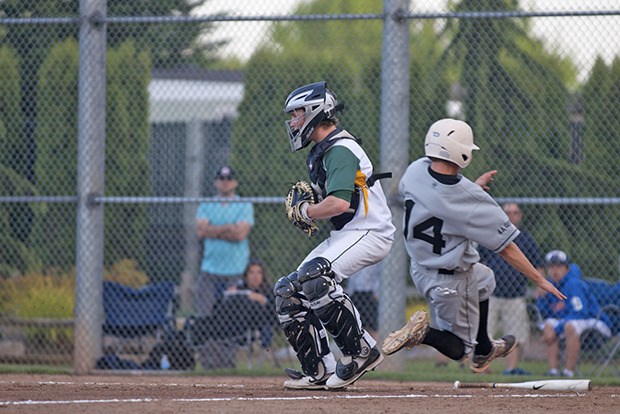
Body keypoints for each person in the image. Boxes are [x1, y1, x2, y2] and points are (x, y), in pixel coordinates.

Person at [381, 118, 566, 374]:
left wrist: (471, 190)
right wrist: (538, 279)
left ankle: (484, 349)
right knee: (460, 349)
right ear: (462, 153)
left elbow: (442, 199)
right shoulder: (473, 199)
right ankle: (423, 334)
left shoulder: (414, 171)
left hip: (420, 268)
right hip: (451, 281)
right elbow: (507, 248)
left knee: (486, 278)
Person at [274, 81, 395, 390]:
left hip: (371, 230)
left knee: (317, 276)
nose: (292, 121)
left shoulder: (340, 149)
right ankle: (318, 369)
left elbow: (339, 203)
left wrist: (306, 212)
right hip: (350, 232)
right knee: (289, 290)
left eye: (297, 114)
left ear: (315, 112)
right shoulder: (325, 151)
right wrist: (313, 201)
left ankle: (361, 352)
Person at [478, 203, 545, 375]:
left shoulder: (525, 239)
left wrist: (540, 284)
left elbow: (538, 264)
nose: (511, 216)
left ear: (520, 216)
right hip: (491, 294)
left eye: (515, 213)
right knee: (485, 332)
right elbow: (479, 262)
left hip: (515, 295)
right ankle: (483, 368)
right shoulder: (492, 236)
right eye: (507, 212)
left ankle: (511, 368)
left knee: (516, 334)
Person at [536, 250, 612, 378]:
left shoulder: (574, 284)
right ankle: (553, 372)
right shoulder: (550, 286)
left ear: (567, 268)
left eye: (559, 266)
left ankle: (568, 372)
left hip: (596, 322)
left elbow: (580, 313)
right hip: (572, 322)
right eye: (551, 266)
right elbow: (548, 313)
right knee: (549, 324)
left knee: (569, 326)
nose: (555, 270)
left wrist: (557, 329)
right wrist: (541, 297)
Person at [195, 165, 254, 317]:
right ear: (216, 182)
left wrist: (213, 230)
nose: (225, 182)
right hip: (210, 270)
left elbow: (240, 235)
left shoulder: (244, 205)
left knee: (232, 317)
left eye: (229, 179)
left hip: (236, 270)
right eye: (221, 179)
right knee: (205, 315)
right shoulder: (207, 204)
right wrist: (229, 227)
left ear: (235, 183)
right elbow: (201, 231)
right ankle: (207, 341)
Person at [225, 259, 277, 351]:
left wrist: (263, 300)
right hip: (240, 322)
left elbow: (274, 312)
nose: (255, 276)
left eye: (259, 273)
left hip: (261, 322)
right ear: (246, 275)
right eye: (251, 272)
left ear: (263, 275)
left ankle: (258, 341)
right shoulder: (240, 288)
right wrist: (234, 293)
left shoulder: (269, 291)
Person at [346, 262, 381, 340]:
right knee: (357, 322)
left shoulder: (374, 261)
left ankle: (375, 344)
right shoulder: (355, 260)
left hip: (370, 293)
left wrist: (376, 292)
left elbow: (377, 276)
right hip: (356, 292)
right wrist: (350, 292)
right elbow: (351, 278)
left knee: (372, 324)